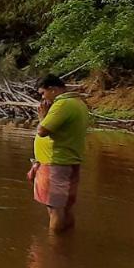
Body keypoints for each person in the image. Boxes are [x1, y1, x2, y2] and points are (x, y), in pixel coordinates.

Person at [28, 74, 90, 233]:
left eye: (43, 93)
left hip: (55, 164)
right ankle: (66, 245)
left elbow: (42, 130)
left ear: (53, 90)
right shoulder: (79, 103)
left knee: (55, 209)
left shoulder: (62, 104)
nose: (42, 97)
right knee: (66, 208)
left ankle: (53, 250)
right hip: (68, 163)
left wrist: (43, 116)